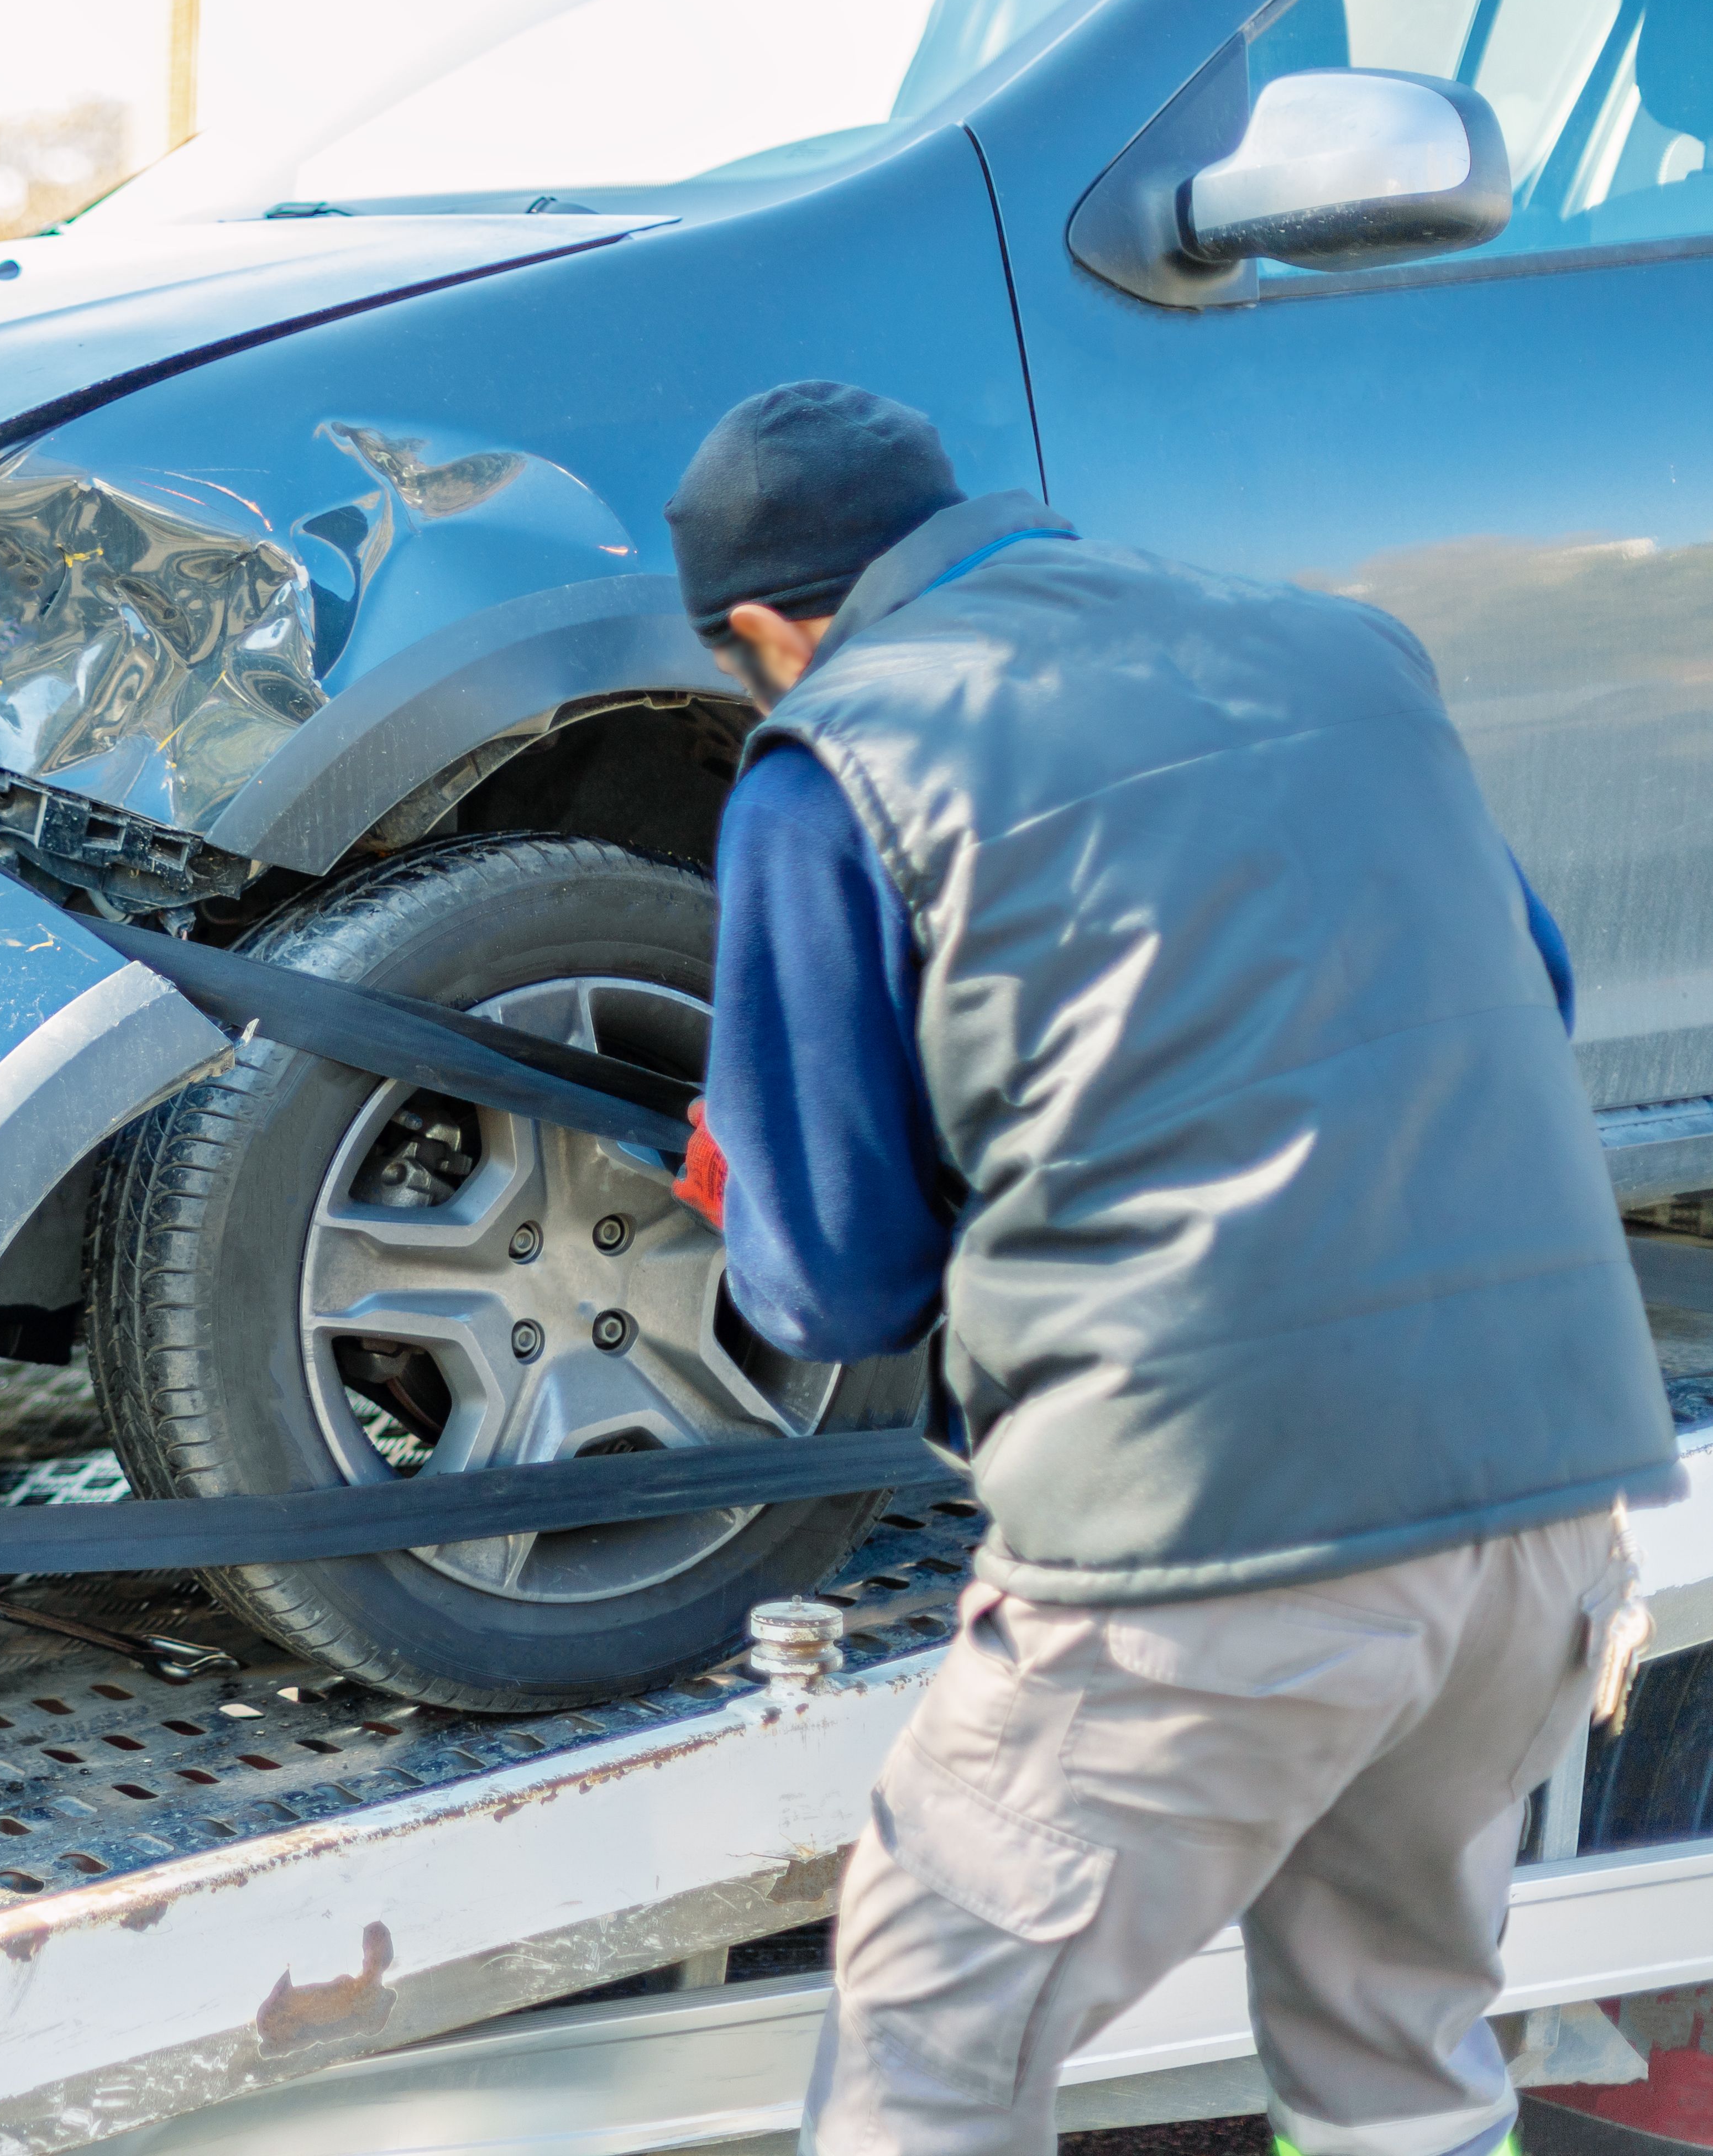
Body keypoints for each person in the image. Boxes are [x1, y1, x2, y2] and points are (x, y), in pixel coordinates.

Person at [656, 381, 1678, 2156]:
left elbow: (835, 1290)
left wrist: (750, 1169)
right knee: (1399, 2063)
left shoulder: (833, 761)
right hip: (1545, 1502)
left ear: (762, 630)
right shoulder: (1341, 652)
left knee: (928, 2068)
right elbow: (1536, 997)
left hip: (1209, 1549)